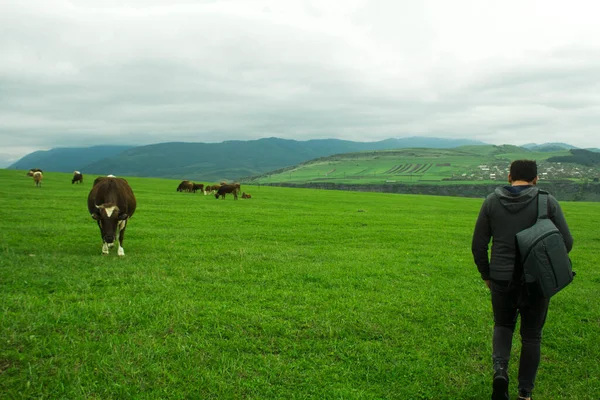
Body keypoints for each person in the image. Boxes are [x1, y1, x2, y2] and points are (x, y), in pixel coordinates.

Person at [471, 160, 573, 400]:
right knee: (531, 335)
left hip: (501, 278)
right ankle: (525, 393)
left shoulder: (491, 202)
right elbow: (566, 243)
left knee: (503, 325)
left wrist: (487, 275)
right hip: (536, 281)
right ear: (536, 179)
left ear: (509, 177)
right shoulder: (548, 202)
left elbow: (478, 245)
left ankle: (500, 372)